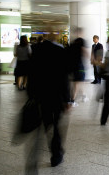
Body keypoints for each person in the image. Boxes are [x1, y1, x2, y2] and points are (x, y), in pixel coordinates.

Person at [27, 32, 70, 171]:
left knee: (46, 124)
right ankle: (56, 155)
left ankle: (38, 156)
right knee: (56, 126)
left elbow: (31, 74)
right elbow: (64, 77)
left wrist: (31, 95)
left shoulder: (36, 51)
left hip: (42, 96)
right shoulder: (60, 52)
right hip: (56, 96)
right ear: (55, 38)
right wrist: (67, 99)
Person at [69, 35, 86, 107]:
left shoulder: (71, 49)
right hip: (79, 68)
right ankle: (72, 101)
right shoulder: (80, 49)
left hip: (74, 68)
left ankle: (84, 96)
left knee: (79, 83)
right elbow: (88, 55)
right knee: (77, 84)